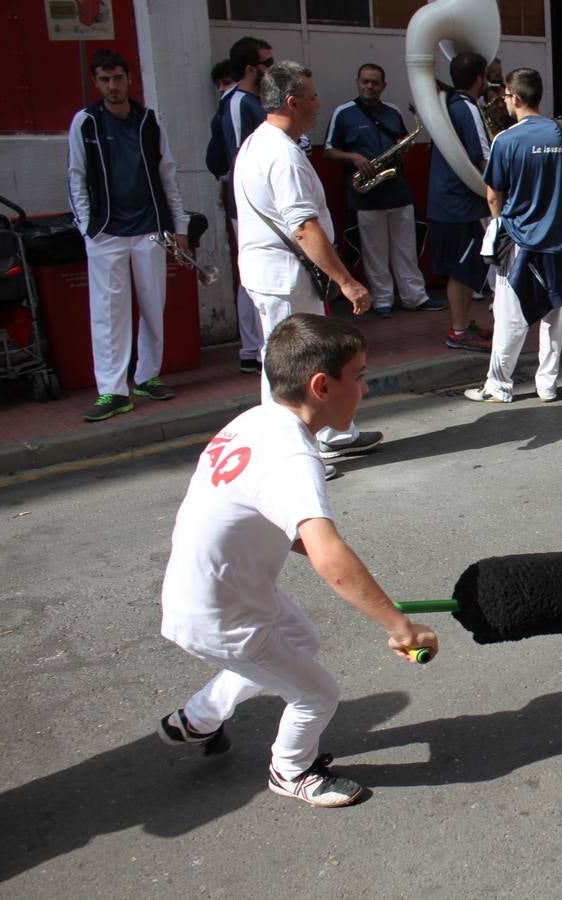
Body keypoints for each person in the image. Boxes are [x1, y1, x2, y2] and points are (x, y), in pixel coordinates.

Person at [157, 313, 439, 808]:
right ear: (321, 385)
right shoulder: (293, 457)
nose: (366, 389)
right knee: (316, 695)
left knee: (300, 640)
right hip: (223, 614)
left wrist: (348, 575)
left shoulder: (257, 420)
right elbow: (327, 554)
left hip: (215, 591)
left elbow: (275, 523)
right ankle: (291, 771)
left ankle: (198, 720)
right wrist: (400, 627)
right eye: (359, 376)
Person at [233, 61, 381, 476]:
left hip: (277, 275)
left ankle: (332, 434)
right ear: (294, 103)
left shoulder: (261, 143)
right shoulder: (282, 155)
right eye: (313, 98)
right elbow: (304, 226)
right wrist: (347, 281)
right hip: (285, 277)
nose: (319, 105)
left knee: (306, 361)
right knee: (292, 370)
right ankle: (286, 458)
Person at [67, 49, 188, 422]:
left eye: (118, 78)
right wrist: (89, 228)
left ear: (129, 79)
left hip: (149, 228)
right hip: (106, 232)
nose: (112, 86)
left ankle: (147, 376)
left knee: (153, 305)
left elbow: (168, 173)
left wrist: (179, 226)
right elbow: (76, 176)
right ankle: (112, 390)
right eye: (104, 79)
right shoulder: (85, 122)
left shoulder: (149, 121)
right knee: (108, 313)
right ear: (96, 82)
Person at [465, 66, 562, 403]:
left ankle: (498, 386)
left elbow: (493, 195)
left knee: (509, 317)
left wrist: (500, 224)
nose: (504, 101)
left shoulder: (505, 140)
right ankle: (548, 385)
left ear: (515, 97)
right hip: (559, 241)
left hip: (520, 241)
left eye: (505, 96)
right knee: (553, 315)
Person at [323, 63, 431, 319]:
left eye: (374, 82)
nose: (369, 86)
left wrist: (403, 147)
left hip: (397, 189)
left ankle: (414, 296)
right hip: (366, 194)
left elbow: (402, 141)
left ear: (383, 85)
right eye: (365, 82)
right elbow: (328, 150)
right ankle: (382, 299)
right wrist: (354, 157)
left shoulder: (393, 112)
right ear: (358, 82)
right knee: (375, 251)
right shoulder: (344, 112)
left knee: (406, 247)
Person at [425, 51, 495, 352]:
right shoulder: (466, 108)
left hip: (447, 202)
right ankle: (459, 329)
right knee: (462, 268)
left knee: (462, 267)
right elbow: (482, 157)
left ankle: (463, 323)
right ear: (480, 78)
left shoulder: (450, 106)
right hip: (459, 205)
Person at [218, 36, 276, 375]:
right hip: (250, 206)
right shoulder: (239, 102)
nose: (272, 67)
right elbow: (242, 156)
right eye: (267, 63)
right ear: (251, 68)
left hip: (260, 204)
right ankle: (253, 347)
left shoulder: (256, 100)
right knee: (252, 274)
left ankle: (258, 345)